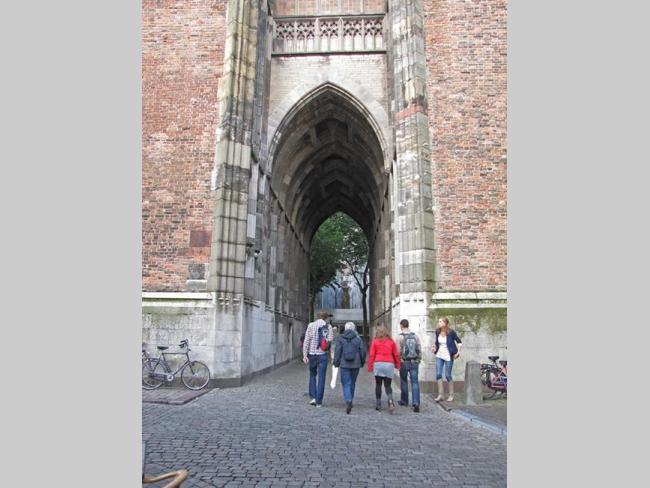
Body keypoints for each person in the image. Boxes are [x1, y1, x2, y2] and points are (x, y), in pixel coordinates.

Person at [302, 310, 334, 407]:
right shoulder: (328, 327)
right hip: (322, 354)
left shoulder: (311, 325)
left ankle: (313, 398)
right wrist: (332, 356)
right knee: (321, 377)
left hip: (312, 355)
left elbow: (306, 341)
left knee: (312, 375)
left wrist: (305, 355)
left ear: (317, 316)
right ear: (326, 317)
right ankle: (319, 402)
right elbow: (330, 342)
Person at [333, 322, 366, 414]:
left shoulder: (341, 338)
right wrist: (362, 362)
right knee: (352, 382)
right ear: (354, 329)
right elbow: (362, 351)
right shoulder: (358, 338)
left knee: (346, 383)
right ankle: (350, 399)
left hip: (344, 364)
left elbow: (338, 351)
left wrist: (336, 362)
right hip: (356, 364)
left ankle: (348, 400)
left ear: (345, 328)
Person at [367, 325, 400, 413]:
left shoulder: (375, 341)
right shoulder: (391, 341)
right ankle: (390, 401)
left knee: (378, 385)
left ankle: (378, 404)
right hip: (389, 364)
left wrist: (370, 366)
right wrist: (397, 365)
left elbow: (372, 355)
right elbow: (396, 354)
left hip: (378, 364)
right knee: (388, 385)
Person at [431, 316, 463, 402]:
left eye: (440, 321)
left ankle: (451, 395)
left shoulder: (451, 332)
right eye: (439, 321)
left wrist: (458, 352)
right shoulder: (437, 331)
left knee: (448, 375)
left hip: (448, 356)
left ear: (445, 323)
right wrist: (434, 347)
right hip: (439, 355)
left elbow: (459, 342)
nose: (439, 323)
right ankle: (441, 395)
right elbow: (436, 343)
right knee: (438, 374)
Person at [397, 319, 422, 412]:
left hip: (404, 362)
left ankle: (404, 401)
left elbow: (398, 351)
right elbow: (419, 348)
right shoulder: (415, 336)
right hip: (414, 361)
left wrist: (399, 361)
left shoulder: (400, 337)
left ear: (401, 326)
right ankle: (416, 403)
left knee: (404, 381)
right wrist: (419, 359)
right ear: (408, 325)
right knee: (415, 382)